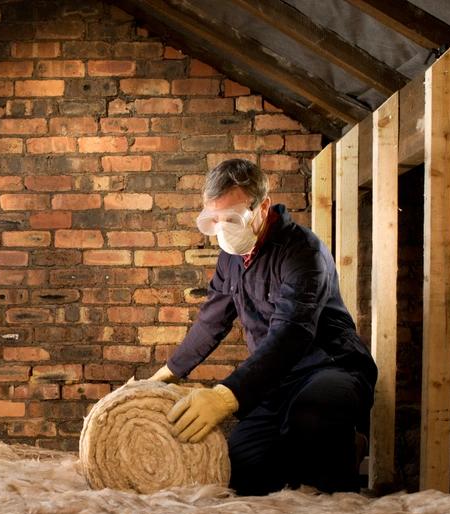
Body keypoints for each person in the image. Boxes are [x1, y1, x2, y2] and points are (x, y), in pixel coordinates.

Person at [142, 158, 377, 496]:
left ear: (262, 207)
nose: (222, 230)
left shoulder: (303, 253)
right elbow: (212, 320)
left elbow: (291, 335)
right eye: (214, 221)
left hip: (329, 368)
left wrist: (225, 396)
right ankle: (314, 452)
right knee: (243, 471)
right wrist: (166, 375)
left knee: (312, 418)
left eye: (233, 218)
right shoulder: (231, 256)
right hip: (273, 381)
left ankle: (342, 448)